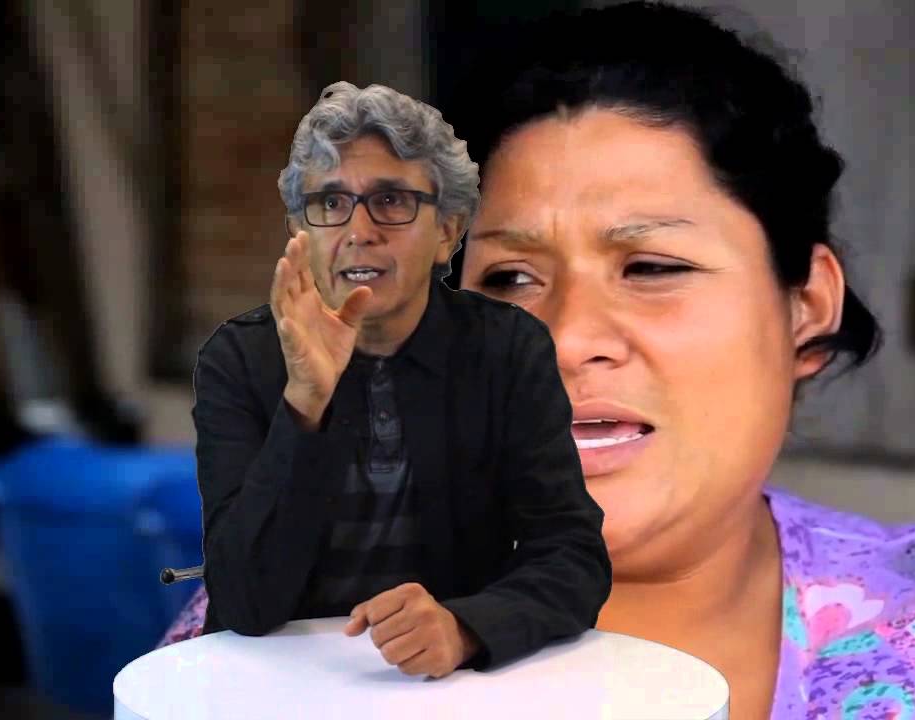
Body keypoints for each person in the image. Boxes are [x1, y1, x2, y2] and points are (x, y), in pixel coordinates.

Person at [163, 4, 915, 716]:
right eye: (510, 279)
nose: (563, 339)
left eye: (651, 268)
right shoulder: (294, 618)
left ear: (808, 304)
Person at [186, 81, 611, 678]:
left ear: (448, 232)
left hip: (447, 683)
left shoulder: (507, 350)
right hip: (276, 678)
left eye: (391, 201)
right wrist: (306, 400)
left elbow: (573, 557)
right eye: (330, 203)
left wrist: (468, 627)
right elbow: (244, 603)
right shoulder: (239, 358)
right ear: (300, 233)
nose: (359, 230)